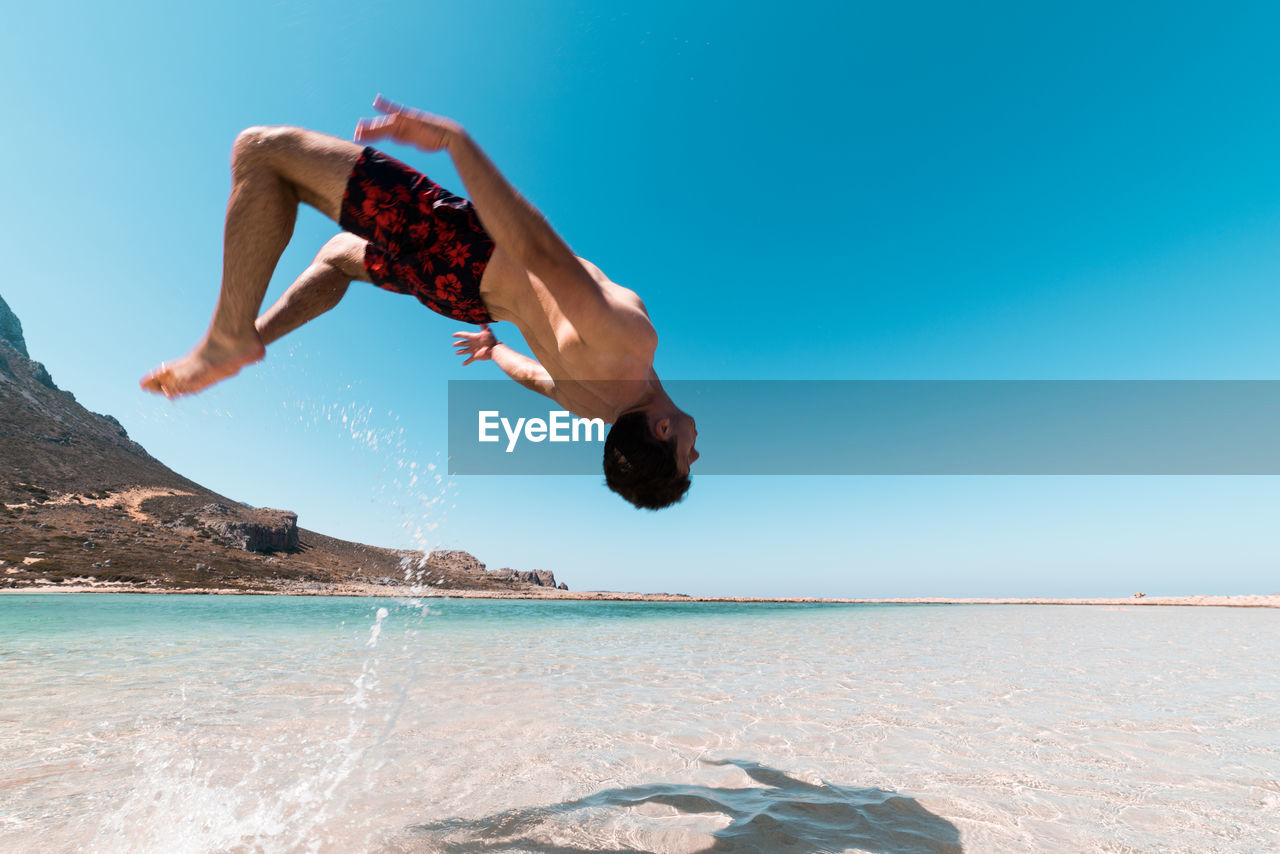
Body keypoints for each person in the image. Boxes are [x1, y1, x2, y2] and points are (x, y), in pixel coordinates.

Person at [140, 97, 697, 508]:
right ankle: (252, 337)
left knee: (262, 152)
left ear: (662, 432)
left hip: (465, 250)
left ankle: (230, 335)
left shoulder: (629, 342)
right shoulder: (595, 409)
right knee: (338, 257)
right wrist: (491, 349)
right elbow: (536, 378)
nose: (697, 456)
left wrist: (456, 142)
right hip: (463, 299)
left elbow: (536, 251)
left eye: (685, 464)